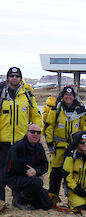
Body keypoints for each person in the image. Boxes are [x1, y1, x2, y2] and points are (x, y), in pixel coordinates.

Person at [0, 67, 42, 201]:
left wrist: (36, 134)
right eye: (11, 75)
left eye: (17, 76)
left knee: (19, 171)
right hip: (3, 141)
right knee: (1, 173)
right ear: (8, 78)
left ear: (20, 78)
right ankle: (1, 201)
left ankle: (18, 200)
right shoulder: (1, 94)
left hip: (21, 143)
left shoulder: (27, 95)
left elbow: (35, 116)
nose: (14, 78)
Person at [44, 86, 86, 205]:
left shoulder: (80, 112)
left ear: (74, 97)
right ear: (62, 96)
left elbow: (85, 127)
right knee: (55, 174)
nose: (68, 97)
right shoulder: (56, 110)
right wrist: (49, 144)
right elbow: (49, 126)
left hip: (74, 148)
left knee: (73, 174)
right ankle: (53, 198)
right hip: (58, 149)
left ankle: (74, 198)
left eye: (70, 95)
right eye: (66, 95)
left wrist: (85, 143)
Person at [5, 124, 52, 210]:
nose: (35, 134)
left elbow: (45, 166)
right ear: (27, 133)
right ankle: (18, 200)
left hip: (32, 178)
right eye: (32, 132)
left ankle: (28, 199)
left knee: (47, 204)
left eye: (38, 133)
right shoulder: (19, 146)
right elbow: (18, 166)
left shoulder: (39, 147)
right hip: (13, 177)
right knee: (37, 182)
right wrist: (27, 171)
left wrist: (36, 171)